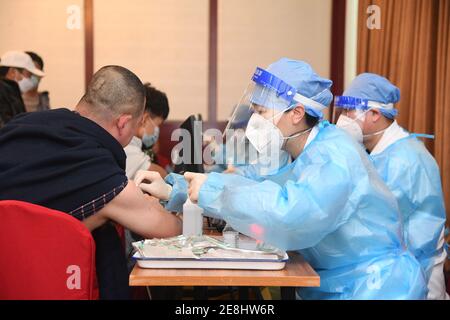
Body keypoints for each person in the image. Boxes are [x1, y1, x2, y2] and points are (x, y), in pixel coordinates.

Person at [134, 58, 426, 300]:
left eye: (261, 112)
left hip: (375, 285)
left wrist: (209, 190)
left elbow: (289, 213)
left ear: (296, 113)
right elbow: (254, 184)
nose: (255, 121)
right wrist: (177, 187)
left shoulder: (334, 156)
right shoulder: (292, 149)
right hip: (336, 281)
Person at [0, 65, 181, 299]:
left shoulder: (19, 127)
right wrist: (181, 204)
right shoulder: (101, 172)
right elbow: (168, 228)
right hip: (59, 283)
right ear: (123, 123)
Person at [334, 73, 448, 299]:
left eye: (349, 111)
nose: (343, 118)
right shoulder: (376, 152)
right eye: (343, 111)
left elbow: (376, 223)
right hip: (388, 271)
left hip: (413, 275)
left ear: (375, 114)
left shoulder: (404, 160)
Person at [124, 83, 169, 180]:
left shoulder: (133, 142)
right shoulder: (126, 145)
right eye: (157, 125)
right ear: (145, 118)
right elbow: (159, 175)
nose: (157, 132)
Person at [0, 50, 44, 127]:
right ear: (13, 72)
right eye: (29, 75)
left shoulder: (12, 93)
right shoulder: (5, 93)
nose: (30, 80)